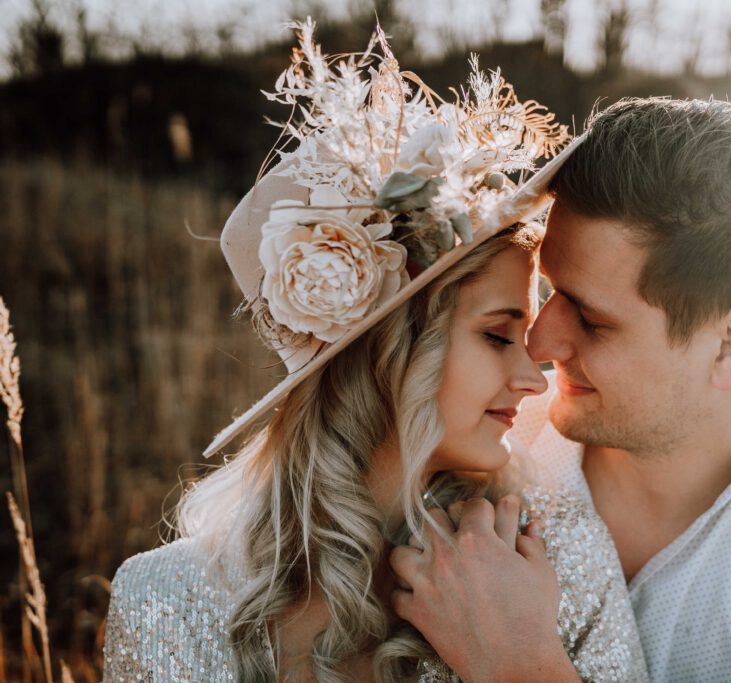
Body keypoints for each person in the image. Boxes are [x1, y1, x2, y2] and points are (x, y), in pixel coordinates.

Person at [101, 22, 648, 683]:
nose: (535, 379)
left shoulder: (556, 556)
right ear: (385, 350)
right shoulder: (163, 601)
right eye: (498, 335)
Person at [390, 98, 731, 682]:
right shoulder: (464, 437)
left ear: (729, 346)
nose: (539, 343)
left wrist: (520, 667)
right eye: (550, 291)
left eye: (591, 319)